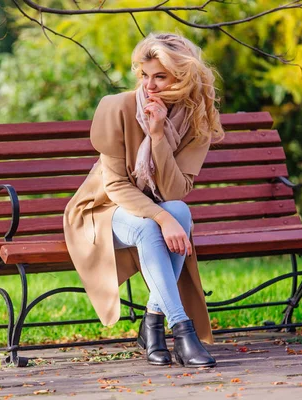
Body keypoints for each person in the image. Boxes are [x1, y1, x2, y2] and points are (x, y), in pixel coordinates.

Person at [63, 33, 224, 367]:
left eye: (160, 76)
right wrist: (162, 218)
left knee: (180, 211)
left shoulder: (198, 119)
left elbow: (175, 193)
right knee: (157, 225)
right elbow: (117, 187)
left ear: (182, 76)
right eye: (144, 75)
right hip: (101, 211)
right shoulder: (117, 107)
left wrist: (157, 136)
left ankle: (152, 323)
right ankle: (181, 330)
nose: (149, 85)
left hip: (148, 211)